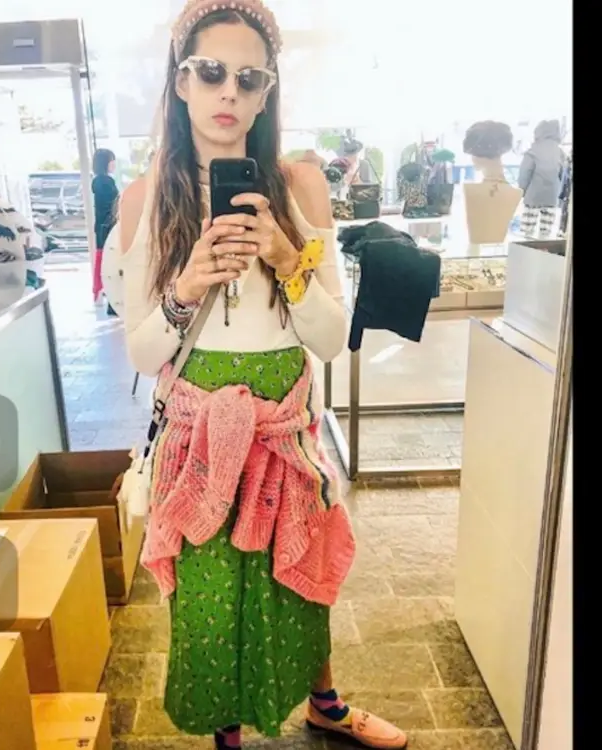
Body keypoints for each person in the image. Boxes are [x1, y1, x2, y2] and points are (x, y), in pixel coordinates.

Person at [115, 1, 407, 749]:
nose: (229, 93)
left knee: (300, 571)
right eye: (211, 72)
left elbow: (330, 339)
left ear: (267, 91)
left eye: (250, 79)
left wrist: (286, 258)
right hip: (199, 437)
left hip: (285, 425)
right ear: (181, 81)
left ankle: (324, 704)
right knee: (210, 594)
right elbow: (143, 354)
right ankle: (228, 735)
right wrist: (186, 289)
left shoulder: (300, 186)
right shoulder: (145, 199)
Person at [518, 120, 565, 238]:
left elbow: (525, 173)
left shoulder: (532, 151)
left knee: (527, 232)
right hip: (552, 196)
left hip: (533, 195)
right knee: (545, 233)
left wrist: (522, 190)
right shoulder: (560, 152)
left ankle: (527, 246)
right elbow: (563, 175)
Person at [92, 148, 119, 308]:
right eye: (111, 160)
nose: (114, 164)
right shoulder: (105, 182)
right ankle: (102, 292)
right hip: (107, 227)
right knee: (106, 260)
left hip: (102, 227)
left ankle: (99, 292)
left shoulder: (99, 181)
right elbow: (112, 204)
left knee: (102, 259)